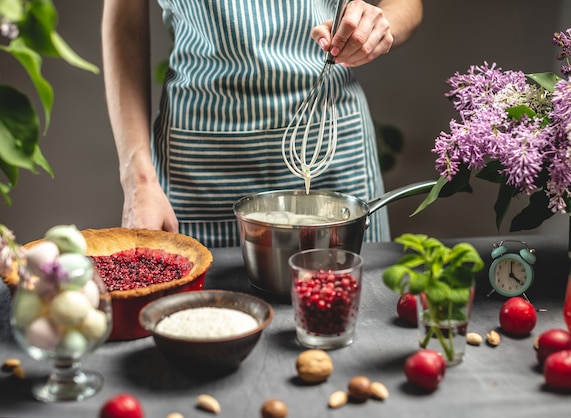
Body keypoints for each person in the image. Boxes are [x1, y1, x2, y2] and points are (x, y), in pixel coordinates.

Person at [101, 0, 423, 248]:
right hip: (200, 168)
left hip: (332, 152)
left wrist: (380, 25)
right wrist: (138, 181)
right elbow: (125, 23)